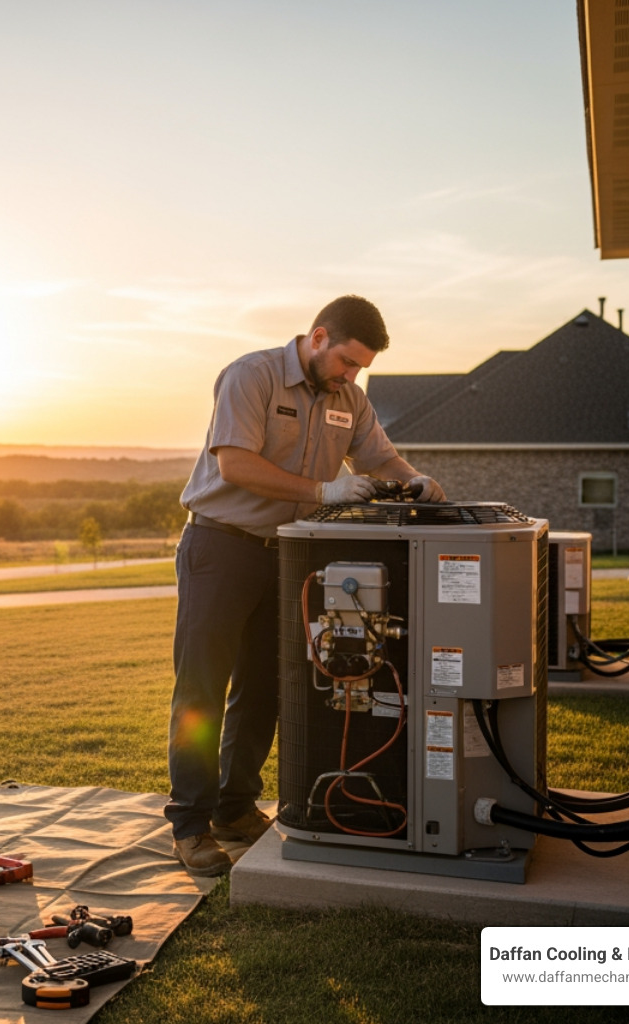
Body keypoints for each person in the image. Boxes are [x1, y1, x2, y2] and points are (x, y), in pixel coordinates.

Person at [167, 294, 446, 875]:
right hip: (220, 547)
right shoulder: (254, 376)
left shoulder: (350, 400)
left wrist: (415, 480)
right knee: (202, 690)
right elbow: (235, 464)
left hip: (286, 557)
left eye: (361, 368)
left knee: (265, 688)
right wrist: (323, 492)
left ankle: (235, 810)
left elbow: (379, 458)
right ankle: (191, 827)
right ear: (318, 338)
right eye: (347, 361)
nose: (352, 375)